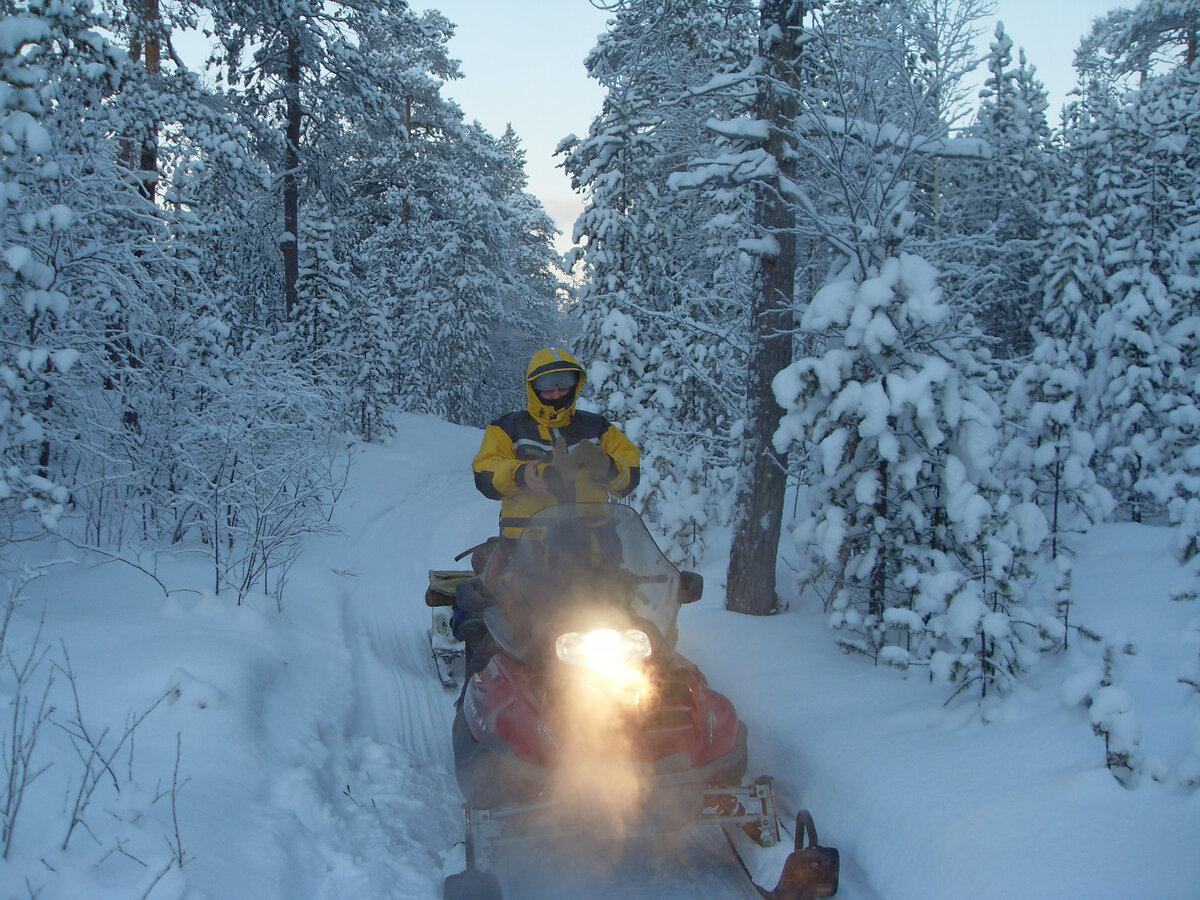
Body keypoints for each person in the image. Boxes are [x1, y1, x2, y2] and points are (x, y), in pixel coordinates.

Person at [472, 347, 640, 541]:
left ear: (576, 382)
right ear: (533, 386)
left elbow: (630, 477)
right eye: (547, 384)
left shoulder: (598, 427)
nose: (557, 391)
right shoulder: (508, 428)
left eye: (564, 381)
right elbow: (485, 474)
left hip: (595, 546)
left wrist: (605, 466)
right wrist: (522, 474)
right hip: (526, 548)